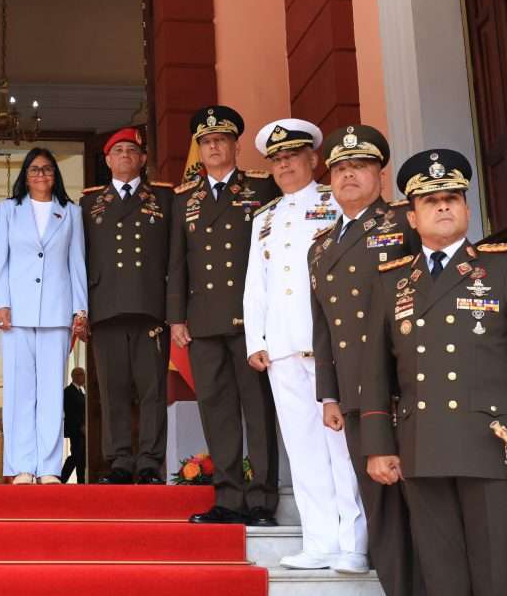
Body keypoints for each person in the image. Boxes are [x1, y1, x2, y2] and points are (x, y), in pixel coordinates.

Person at [361, 149, 507, 596]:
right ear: (412, 218)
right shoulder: (392, 281)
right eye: (430, 200)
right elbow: (375, 371)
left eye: (452, 197)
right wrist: (379, 445)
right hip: (421, 448)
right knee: (442, 580)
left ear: (466, 210)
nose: (442, 205)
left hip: (488, 446)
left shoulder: (503, 266)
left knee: (495, 578)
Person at [244, 119, 367, 572]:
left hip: (327, 344)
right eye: (276, 160)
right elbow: (255, 284)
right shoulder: (266, 217)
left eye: (291, 157)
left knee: (341, 446)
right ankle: (319, 542)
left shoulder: (335, 201)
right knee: (302, 446)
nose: (283, 165)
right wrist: (255, 339)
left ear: (313, 160)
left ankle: (353, 542)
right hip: (280, 346)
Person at [308, 125, 423, 594]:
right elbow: (324, 327)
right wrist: (328, 392)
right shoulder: (321, 245)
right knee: (379, 507)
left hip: (407, 384)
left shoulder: (403, 223)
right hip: (356, 391)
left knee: (422, 501)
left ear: (380, 174)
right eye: (338, 169)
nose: (348, 175)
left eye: (358, 166)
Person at [167, 105, 281, 525]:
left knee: (258, 410)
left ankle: (262, 500)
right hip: (203, 321)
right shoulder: (185, 199)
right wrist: (176, 317)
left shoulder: (262, 189)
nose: (214, 147)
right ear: (200, 149)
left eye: (221, 140)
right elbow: (177, 262)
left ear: (234, 145)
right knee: (217, 411)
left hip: (251, 320)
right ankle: (229, 498)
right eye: (207, 142)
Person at [80, 127, 172, 485]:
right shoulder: (89, 203)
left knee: (151, 391)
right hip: (106, 308)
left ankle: (149, 461)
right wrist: (82, 310)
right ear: (107, 160)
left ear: (143, 159)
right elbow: (78, 260)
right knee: (112, 389)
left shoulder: (164, 199)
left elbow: (175, 257)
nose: (125, 157)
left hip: (150, 306)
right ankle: (118, 460)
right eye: (118, 151)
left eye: (132, 151)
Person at [0, 148, 87, 485]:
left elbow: (77, 264)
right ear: (25, 175)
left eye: (47, 169)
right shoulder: (8, 210)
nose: (41, 175)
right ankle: (21, 467)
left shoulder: (70, 212)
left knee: (50, 393)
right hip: (16, 312)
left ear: (55, 175)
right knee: (18, 391)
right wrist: (0, 302)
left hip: (57, 312)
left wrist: (80, 309)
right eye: (34, 169)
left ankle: (47, 468)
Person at [61, 367, 87, 483]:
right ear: (75, 376)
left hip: (83, 429)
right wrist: (80, 426)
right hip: (75, 429)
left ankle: (81, 481)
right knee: (76, 455)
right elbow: (71, 412)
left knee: (81, 457)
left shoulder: (81, 391)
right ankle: (62, 478)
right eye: (82, 375)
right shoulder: (68, 391)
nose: (84, 377)